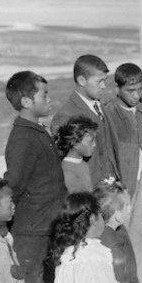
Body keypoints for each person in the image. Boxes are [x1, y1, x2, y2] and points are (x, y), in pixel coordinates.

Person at [3, 71, 66, 283]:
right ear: (26, 101)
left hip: (46, 228)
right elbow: (11, 185)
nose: (49, 99)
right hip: (31, 231)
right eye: (43, 95)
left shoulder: (37, 130)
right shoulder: (23, 138)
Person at [103, 63, 142, 283]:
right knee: (116, 242)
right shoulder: (107, 113)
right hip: (119, 187)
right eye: (130, 91)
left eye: (140, 90)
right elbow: (106, 152)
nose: (136, 96)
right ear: (117, 88)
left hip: (141, 179)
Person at [50, 54, 120, 186]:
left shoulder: (100, 106)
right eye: (99, 81)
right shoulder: (66, 116)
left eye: (104, 80)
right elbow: (65, 166)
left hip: (111, 187)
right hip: (89, 191)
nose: (104, 86)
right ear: (82, 80)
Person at [55, 115, 98, 193]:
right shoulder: (68, 172)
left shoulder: (83, 164)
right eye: (91, 141)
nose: (94, 144)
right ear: (75, 143)